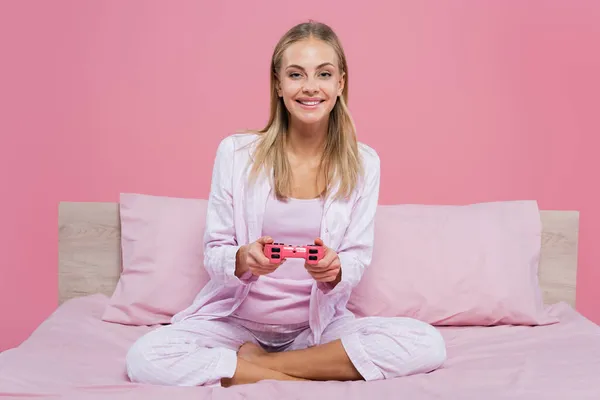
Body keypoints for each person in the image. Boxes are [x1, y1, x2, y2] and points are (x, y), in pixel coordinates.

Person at [125, 20, 446, 388]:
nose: (310, 87)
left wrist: (335, 270)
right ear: (278, 84)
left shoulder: (364, 162)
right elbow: (215, 251)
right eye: (296, 74)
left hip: (316, 329)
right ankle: (299, 378)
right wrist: (244, 259)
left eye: (323, 74)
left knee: (427, 344)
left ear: (340, 82)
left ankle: (261, 366)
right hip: (236, 324)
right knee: (144, 357)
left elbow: (356, 258)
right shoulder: (236, 153)